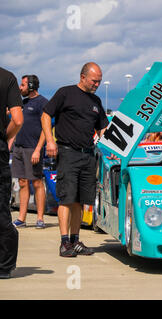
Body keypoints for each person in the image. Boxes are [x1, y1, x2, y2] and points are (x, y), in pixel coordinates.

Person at [41, 62, 109, 258]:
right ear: (83, 77)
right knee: (67, 198)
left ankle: (75, 240)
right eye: (94, 81)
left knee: (80, 201)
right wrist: (50, 141)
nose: (97, 84)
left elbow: (103, 128)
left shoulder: (96, 101)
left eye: (99, 81)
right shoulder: (66, 93)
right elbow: (46, 115)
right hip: (67, 152)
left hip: (88, 155)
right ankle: (64, 243)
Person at [11, 75, 48, 229]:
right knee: (22, 182)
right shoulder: (22, 103)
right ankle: (22, 218)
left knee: (37, 182)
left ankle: (40, 218)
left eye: (23, 84)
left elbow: (45, 130)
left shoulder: (43, 103)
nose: (20, 87)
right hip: (18, 148)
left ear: (31, 86)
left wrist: (38, 150)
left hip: (33, 149)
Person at [0, 67, 23, 279]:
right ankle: (4, 266)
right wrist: (5, 138)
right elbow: (17, 120)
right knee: (1, 210)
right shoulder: (7, 77)